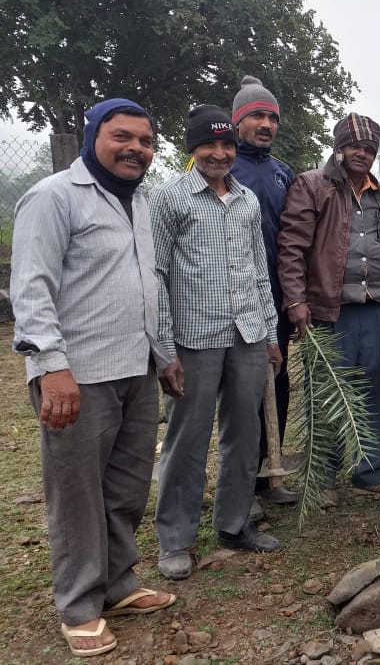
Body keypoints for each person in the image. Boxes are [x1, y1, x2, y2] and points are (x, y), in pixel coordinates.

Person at [11, 99, 177, 657]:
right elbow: (32, 288)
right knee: (76, 493)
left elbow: (147, 285)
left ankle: (118, 584)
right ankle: (80, 604)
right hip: (77, 375)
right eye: (122, 137)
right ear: (93, 138)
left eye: (146, 141)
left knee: (127, 487)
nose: (135, 149)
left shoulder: (141, 204)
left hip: (135, 366)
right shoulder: (54, 196)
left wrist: (164, 354)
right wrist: (50, 367)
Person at [153, 105, 284, 581]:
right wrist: (164, 349)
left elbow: (257, 271)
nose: (220, 153)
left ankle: (233, 522)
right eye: (209, 145)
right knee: (187, 437)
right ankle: (176, 538)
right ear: (193, 149)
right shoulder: (170, 199)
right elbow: (158, 276)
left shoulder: (247, 200)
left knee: (244, 431)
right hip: (194, 336)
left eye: (227, 145)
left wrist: (269, 334)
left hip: (247, 333)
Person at [277, 113, 380, 507]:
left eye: (368, 149)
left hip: (379, 311)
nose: (361, 153)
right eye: (354, 146)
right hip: (330, 311)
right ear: (338, 148)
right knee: (330, 394)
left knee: (379, 391)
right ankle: (324, 477)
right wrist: (295, 300)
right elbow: (292, 248)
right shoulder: (312, 186)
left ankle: (371, 472)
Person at [228, 75, 298, 511]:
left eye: (272, 117)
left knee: (278, 381)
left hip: (275, 295)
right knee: (242, 390)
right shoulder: (220, 166)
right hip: (232, 298)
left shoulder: (280, 173)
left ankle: (269, 469)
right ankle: (241, 483)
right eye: (257, 115)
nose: (266, 124)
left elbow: (291, 237)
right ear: (238, 121)